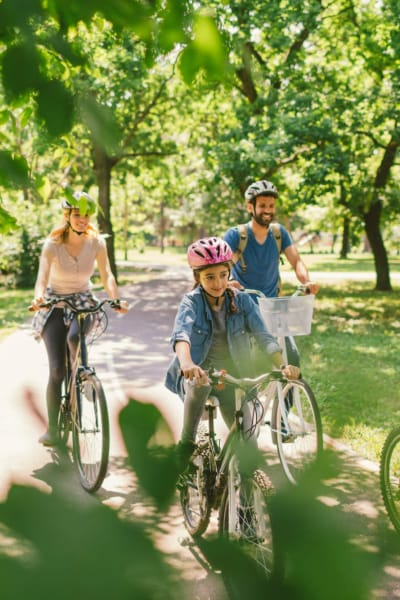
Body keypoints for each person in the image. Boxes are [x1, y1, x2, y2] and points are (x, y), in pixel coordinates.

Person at [164, 236, 300, 469]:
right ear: (197, 277)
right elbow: (182, 335)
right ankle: (186, 443)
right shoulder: (191, 302)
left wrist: (281, 365)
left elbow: (263, 336)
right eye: (209, 277)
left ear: (229, 273)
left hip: (233, 378)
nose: (217, 283)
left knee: (248, 449)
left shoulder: (243, 301)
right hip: (199, 374)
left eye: (222, 275)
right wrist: (187, 364)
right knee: (201, 382)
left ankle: (245, 503)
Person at [30, 191, 129, 447]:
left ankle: (81, 376)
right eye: (77, 215)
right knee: (56, 370)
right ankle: (53, 429)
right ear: (67, 216)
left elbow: (107, 274)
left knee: (75, 338)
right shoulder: (52, 245)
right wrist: (38, 297)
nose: (82, 220)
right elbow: (41, 278)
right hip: (54, 303)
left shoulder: (97, 243)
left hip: (83, 300)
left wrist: (115, 298)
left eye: (86, 215)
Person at [223, 179, 319, 367]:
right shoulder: (237, 235)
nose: (268, 210)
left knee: (291, 359)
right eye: (262, 205)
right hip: (244, 308)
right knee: (245, 364)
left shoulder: (278, 233)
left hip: (273, 307)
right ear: (250, 207)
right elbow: (223, 267)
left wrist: (307, 282)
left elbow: (296, 260)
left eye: (271, 205)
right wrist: (229, 281)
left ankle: (287, 395)